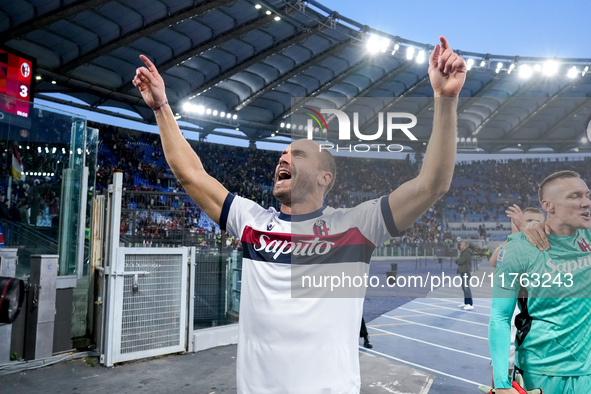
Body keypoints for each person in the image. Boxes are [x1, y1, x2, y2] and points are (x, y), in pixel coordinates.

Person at [133, 36, 466, 393]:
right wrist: (161, 107)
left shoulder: (356, 226)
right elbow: (191, 174)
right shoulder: (253, 222)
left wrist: (445, 100)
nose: (283, 158)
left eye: (298, 155)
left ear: (326, 178)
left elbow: (432, 184)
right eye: (282, 154)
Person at [489, 170, 591, 393]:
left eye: (587, 195)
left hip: (586, 374)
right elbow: (499, 317)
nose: (586, 202)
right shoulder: (519, 247)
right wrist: (502, 382)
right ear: (549, 205)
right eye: (575, 196)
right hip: (539, 374)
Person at [488, 205, 545, 389]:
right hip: (516, 323)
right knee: (503, 376)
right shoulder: (513, 249)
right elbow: (494, 260)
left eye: (539, 224)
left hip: (541, 336)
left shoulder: (550, 250)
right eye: (528, 222)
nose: (533, 227)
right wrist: (515, 238)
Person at [455, 240, 474, 310]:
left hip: (466, 272)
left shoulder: (466, 253)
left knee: (466, 288)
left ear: (465, 246)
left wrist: (457, 260)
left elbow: (460, 261)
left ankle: (470, 304)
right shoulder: (464, 252)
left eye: (461, 244)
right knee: (464, 287)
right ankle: (466, 302)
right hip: (463, 272)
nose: (460, 245)